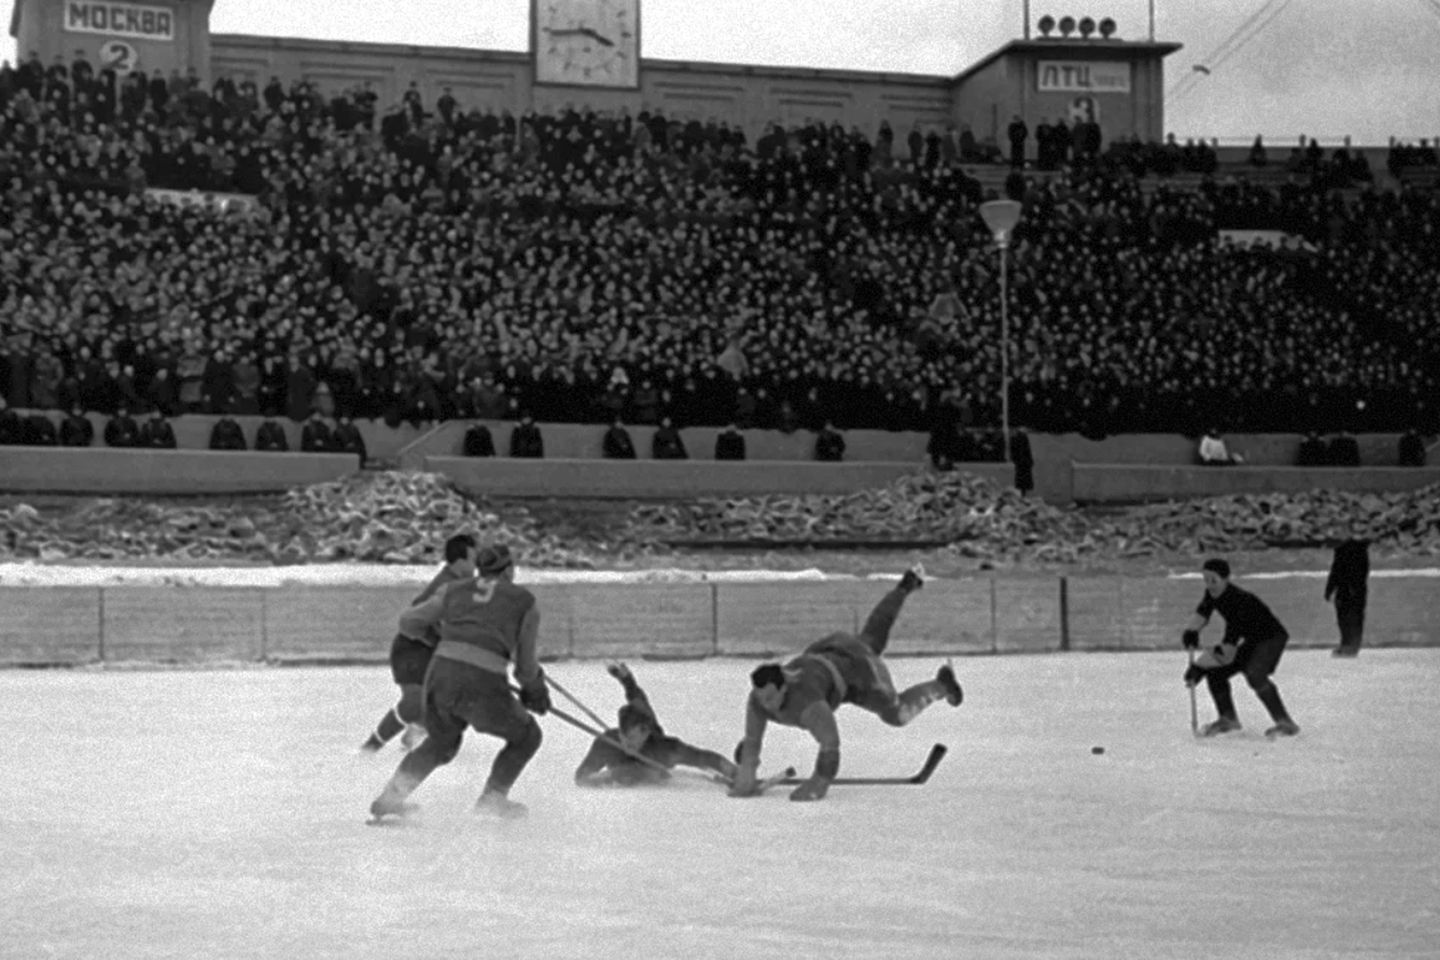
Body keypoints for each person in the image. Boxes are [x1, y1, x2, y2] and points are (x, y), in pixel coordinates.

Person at [729, 567, 963, 803]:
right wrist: (747, 769)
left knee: (897, 714)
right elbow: (753, 738)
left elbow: (830, 743)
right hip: (830, 653)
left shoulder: (809, 704)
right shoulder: (758, 700)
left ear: (784, 688)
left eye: (770, 698)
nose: (766, 705)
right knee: (872, 637)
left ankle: (940, 686)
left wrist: (819, 782)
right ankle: (904, 587)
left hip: (859, 674)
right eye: (761, 698)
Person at [368, 543, 550, 822]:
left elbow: (408, 623)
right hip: (484, 681)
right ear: (510, 570)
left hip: (441, 673)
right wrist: (535, 690)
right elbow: (525, 667)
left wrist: (439, 642)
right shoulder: (525, 602)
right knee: (527, 736)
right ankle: (493, 800)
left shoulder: (453, 590)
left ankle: (391, 798)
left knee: (440, 741)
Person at [360, 533, 478, 754]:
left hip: (433, 650)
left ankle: (412, 738)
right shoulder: (446, 586)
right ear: (459, 562)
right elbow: (412, 620)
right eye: (473, 560)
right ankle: (371, 747)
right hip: (412, 647)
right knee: (414, 702)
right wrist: (437, 641)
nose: (476, 565)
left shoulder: (464, 585)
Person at [1181, 558, 1300, 737]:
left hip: (1271, 638)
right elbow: (1203, 612)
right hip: (1252, 639)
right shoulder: (1212, 595)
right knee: (1217, 673)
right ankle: (1227, 718)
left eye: (1214, 580)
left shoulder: (1239, 600)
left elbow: (1229, 646)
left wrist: (1200, 666)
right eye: (1206, 580)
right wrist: (1191, 631)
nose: (1209, 585)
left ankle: (1285, 723)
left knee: (1255, 673)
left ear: (1226, 579)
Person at [574, 663, 737, 787]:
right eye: (624, 737)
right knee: (637, 704)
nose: (627, 744)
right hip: (639, 731)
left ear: (645, 734)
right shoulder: (608, 742)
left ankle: (628, 681)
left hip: (652, 736)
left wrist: (735, 772)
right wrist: (612, 776)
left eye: (632, 738)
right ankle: (627, 680)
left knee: (641, 706)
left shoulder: (664, 749)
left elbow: (704, 758)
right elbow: (581, 777)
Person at [1324, 539, 1370, 658]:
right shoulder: (1355, 551)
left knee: (1351, 617)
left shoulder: (1352, 552)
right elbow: (1335, 571)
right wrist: (1329, 589)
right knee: (1347, 618)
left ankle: (1351, 645)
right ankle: (1348, 644)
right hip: (1350, 589)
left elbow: (1336, 571)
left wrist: (1329, 590)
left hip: (1351, 589)